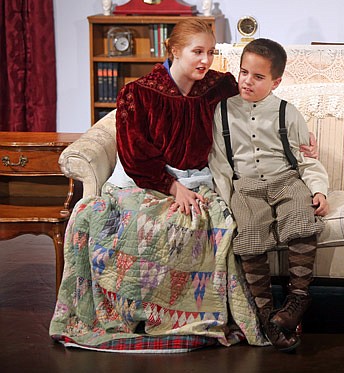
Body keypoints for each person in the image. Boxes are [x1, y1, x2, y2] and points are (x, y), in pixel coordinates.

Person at [50, 19, 315, 351]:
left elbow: (257, 109)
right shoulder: (140, 92)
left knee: (221, 222)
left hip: (203, 175)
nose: (205, 60)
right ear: (174, 50)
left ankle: (265, 319)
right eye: (197, 52)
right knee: (106, 218)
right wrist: (173, 187)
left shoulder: (220, 86)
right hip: (149, 179)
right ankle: (146, 312)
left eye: (211, 52)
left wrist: (299, 136)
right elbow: (136, 157)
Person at [209, 38, 329, 352]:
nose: (247, 81)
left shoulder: (287, 112)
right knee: (248, 235)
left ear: (276, 81)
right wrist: (225, 200)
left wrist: (318, 190)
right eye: (244, 72)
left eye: (258, 77)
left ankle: (298, 299)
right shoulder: (223, 111)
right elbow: (220, 163)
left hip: (284, 179)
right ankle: (266, 315)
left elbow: (306, 159)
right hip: (245, 187)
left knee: (302, 218)